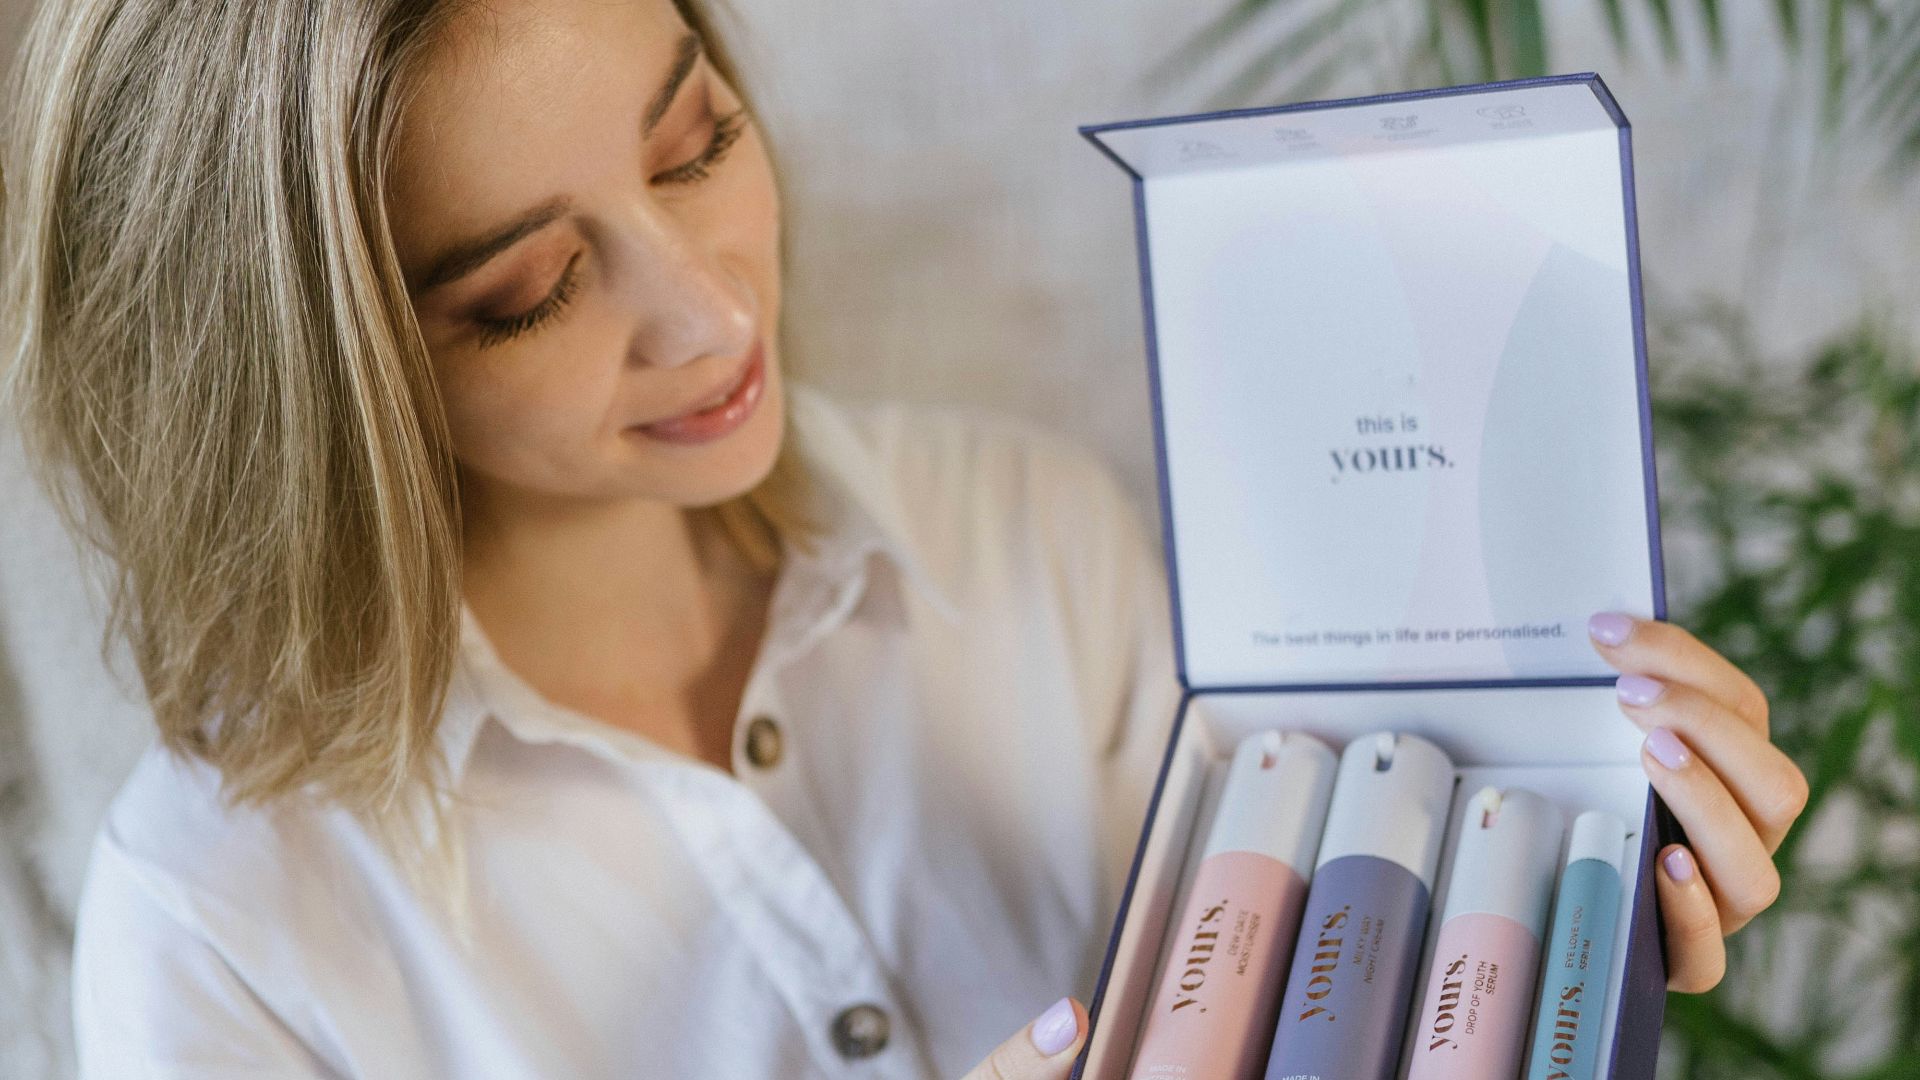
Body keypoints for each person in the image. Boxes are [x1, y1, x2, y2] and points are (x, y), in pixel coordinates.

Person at [0, 0, 1808, 1077]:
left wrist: (1574, 948)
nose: (711, 320)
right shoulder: (219, 928)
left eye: (698, 143)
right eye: (533, 293)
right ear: (307, 384)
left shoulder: (1027, 538)